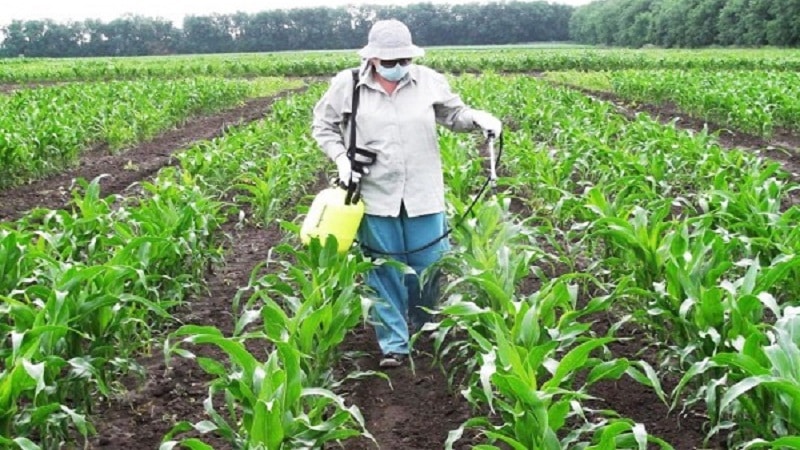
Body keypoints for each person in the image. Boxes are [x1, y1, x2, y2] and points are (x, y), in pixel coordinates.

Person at [311, 19, 502, 368]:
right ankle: (394, 344)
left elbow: (453, 115)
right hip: (373, 194)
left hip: (422, 191)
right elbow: (323, 126)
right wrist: (340, 158)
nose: (398, 67)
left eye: (404, 61)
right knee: (383, 269)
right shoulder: (347, 85)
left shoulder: (428, 81)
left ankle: (425, 321)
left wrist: (476, 117)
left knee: (429, 266)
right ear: (372, 59)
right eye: (390, 62)